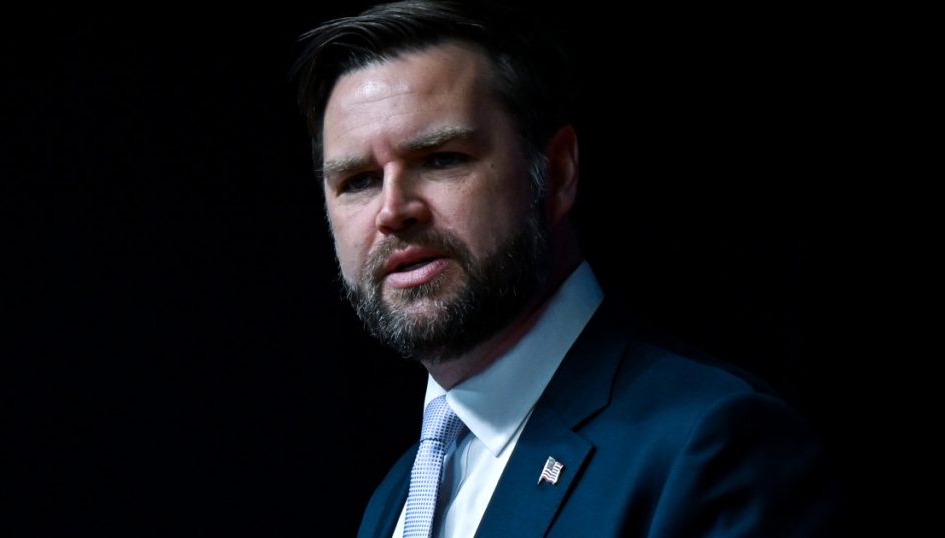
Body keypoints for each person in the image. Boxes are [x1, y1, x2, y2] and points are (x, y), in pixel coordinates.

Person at [292, 1, 844, 536]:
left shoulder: (711, 447)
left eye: (441, 159)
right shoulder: (394, 501)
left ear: (555, 172)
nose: (392, 211)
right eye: (358, 181)